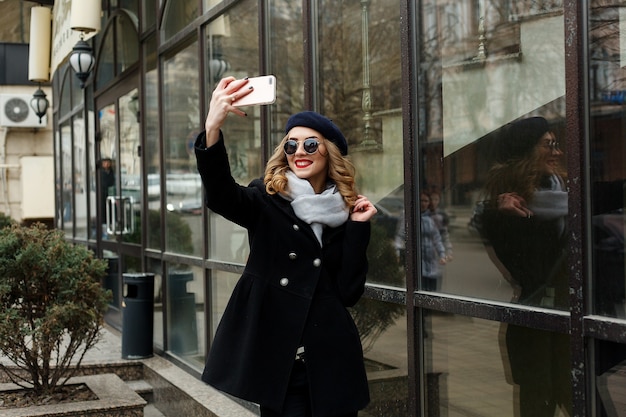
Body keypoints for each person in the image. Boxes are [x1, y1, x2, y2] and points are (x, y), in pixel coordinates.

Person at [194, 76, 377, 417]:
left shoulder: (345, 211)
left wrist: (358, 229)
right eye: (291, 145)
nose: (299, 152)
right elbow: (221, 195)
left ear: (330, 153)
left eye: (311, 145)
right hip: (282, 365)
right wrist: (212, 128)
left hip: (331, 362)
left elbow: (348, 292)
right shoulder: (267, 199)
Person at [476, 116, 571, 417]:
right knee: (539, 404)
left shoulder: (564, 194)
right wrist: (517, 219)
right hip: (536, 327)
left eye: (557, 144)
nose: (557, 152)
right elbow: (529, 267)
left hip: (568, 322)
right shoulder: (502, 211)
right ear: (528, 150)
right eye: (548, 145)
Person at [419, 192, 447, 291]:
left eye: (426, 201)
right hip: (418, 263)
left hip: (432, 262)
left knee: (433, 291)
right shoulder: (412, 217)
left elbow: (437, 239)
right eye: (421, 201)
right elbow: (401, 236)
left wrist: (442, 254)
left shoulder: (433, 218)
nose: (423, 203)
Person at [427, 191, 453, 262]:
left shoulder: (441, 215)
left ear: (439, 201)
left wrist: (449, 252)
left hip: (437, 250)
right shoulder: (423, 214)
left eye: (436, 199)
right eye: (431, 199)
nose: (433, 202)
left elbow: (445, 236)